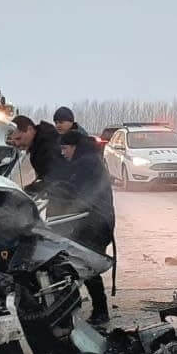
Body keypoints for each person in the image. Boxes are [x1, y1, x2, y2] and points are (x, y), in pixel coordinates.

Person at [49, 129, 115, 325]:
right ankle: (95, 309)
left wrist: (53, 190)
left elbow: (75, 191)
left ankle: (100, 312)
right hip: (95, 220)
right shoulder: (89, 159)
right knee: (84, 264)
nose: (63, 153)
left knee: (86, 265)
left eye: (65, 148)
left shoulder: (86, 163)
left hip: (95, 221)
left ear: (75, 147)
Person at [7, 115, 63, 194]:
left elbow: (54, 178)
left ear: (30, 129)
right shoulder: (37, 145)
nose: (17, 143)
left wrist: (29, 190)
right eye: (14, 141)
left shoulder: (49, 146)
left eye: (19, 138)